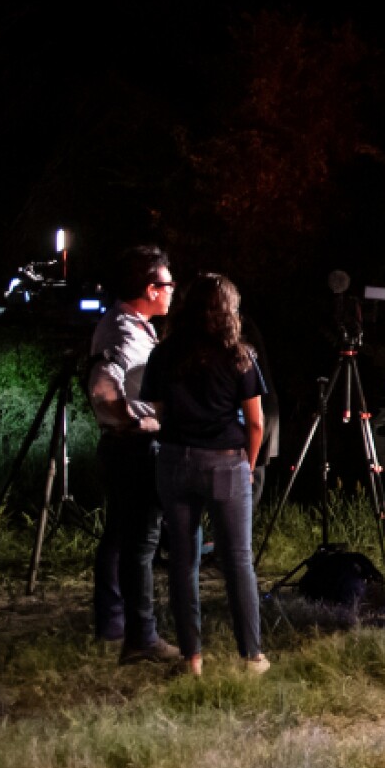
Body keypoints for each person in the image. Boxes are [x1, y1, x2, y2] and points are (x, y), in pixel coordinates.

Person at [139, 272, 269, 676]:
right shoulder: (239, 355)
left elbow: (158, 411)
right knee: (238, 561)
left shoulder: (164, 354)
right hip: (226, 461)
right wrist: (248, 465)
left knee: (183, 561)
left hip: (175, 460)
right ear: (228, 309)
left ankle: (191, 658)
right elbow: (256, 423)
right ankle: (251, 656)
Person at [85, 245, 180, 662]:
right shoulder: (123, 331)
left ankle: (114, 624)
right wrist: (136, 419)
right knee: (137, 541)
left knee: (121, 537)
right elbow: (104, 387)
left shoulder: (135, 325)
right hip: (132, 448)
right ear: (150, 287)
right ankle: (138, 635)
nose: (173, 290)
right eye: (168, 284)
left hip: (126, 446)